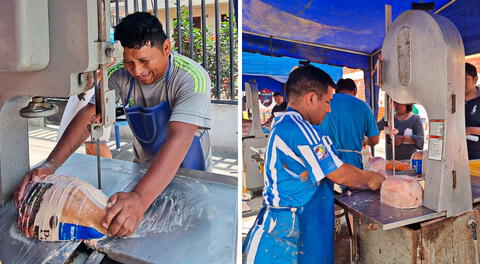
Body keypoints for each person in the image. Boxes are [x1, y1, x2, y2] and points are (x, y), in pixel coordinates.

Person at [14, 12, 212, 237]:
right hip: (145, 172)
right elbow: (89, 115)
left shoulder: (192, 78)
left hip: (193, 177)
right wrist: (50, 165)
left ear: (166, 48)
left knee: (187, 236)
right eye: (129, 62)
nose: (137, 71)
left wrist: (139, 198)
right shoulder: (119, 75)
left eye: (145, 61)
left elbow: (180, 138)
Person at [243, 65, 385, 264]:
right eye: (327, 102)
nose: (329, 109)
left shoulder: (285, 124)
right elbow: (340, 174)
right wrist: (372, 178)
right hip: (293, 226)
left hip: (292, 221)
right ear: (310, 98)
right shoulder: (299, 129)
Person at [319, 78, 379, 169]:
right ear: (355, 91)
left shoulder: (325, 102)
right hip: (352, 163)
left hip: (325, 159)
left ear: (336, 90)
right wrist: (365, 141)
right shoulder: (363, 106)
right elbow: (375, 139)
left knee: (327, 183)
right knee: (352, 181)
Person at [465, 62, 480, 159]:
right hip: (456, 157)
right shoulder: (452, 99)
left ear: (475, 79)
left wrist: (470, 130)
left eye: (465, 78)